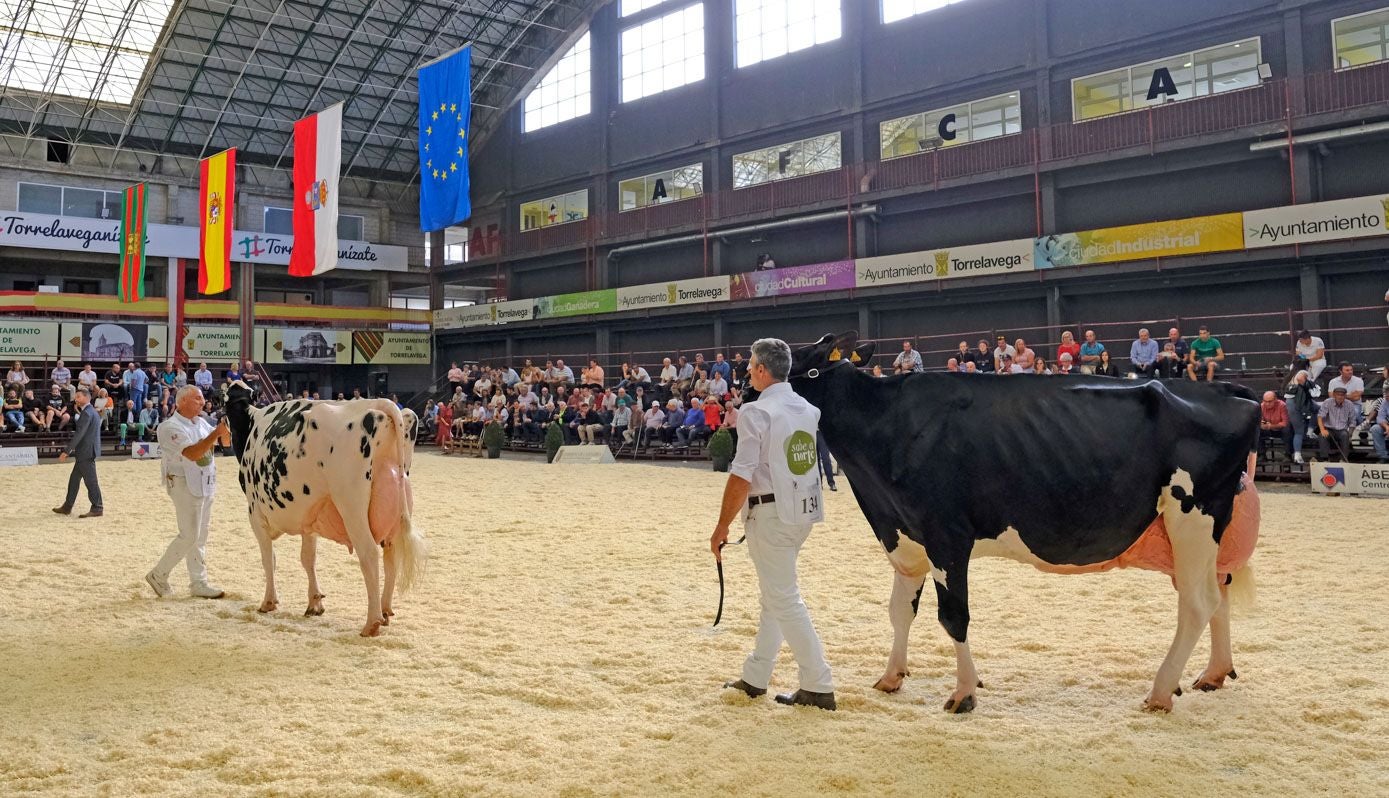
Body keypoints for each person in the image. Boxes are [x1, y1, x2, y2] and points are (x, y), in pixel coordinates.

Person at [712, 337, 835, 711]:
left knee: (783, 598)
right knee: (775, 596)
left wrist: (721, 528)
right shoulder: (806, 409)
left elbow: (741, 474)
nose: (748, 370)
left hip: (769, 514)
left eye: (751, 365)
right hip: (802, 512)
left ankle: (818, 682)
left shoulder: (756, 412)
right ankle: (756, 676)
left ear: (763, 370)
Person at [146, 386, 230, 600]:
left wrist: (226, 431)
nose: (203, 403)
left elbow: (225, 444)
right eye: (197, 399)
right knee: (189, 535)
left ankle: (198, 582)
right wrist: (216, 434)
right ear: (182, 401)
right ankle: (158, 574)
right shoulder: (169, 427)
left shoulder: (200, 422)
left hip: (205, 482)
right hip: (183, 483)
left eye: (202, 399)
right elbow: (192, 453)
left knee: (200, 536)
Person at [53, 387, 103, 518]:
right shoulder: (92, 411)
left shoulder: (87, 413)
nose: (76, 399)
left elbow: (79, 434)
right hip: (87, 451)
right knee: (74, 479)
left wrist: (67, 451)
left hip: (86, 452)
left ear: (87, 397)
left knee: (91, 481)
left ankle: (97, 507)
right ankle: (67, 506)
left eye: (79, 397)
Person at [1284, 370, 1321, 465]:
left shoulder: (1291, 378)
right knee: (1299, 431)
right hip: (1295, 404)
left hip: (1299, 402)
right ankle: (1297, 455)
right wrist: (1304, 384)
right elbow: (1300, 377)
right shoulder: (1302, 374)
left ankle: (1310, 430)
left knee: (1319, 409)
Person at [1317, 386, 1356, 463]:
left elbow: (1352, 421)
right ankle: (1325, 459)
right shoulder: (1327, 402)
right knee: (1322, 435)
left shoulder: (1350, 404)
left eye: (1342, 395)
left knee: (1345, 435)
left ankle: (1343, 459)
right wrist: (1322, 429)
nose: (1340, 396)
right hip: (1329, 428)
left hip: (1342, 430)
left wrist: (1350, 434)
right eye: (1338, 394)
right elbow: (1320, 417)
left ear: (1345, 396)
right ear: (1334, 395)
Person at [1259, 391, 1292, 461]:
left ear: (1275, 400)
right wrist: (1261, 424)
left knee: (1287, 429)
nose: (1267, 404)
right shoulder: (1262, 406)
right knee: (1256, 431)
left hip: (1280, 430)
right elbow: (1259, 420)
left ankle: (1288, 455)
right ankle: (1261, 454)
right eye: (1265, 401)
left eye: (1270, 401)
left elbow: (1285, 423)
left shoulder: (1282, 405)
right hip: (1268, 429)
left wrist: (1271, 426)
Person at [1370, 391, 1389, 464]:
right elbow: (1380, 418)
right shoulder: (1385, 402)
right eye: (1386, 396)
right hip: (1387, 425)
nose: (1387, 398)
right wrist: (1386, 427)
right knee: (1375, 429)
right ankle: (1383, 457)